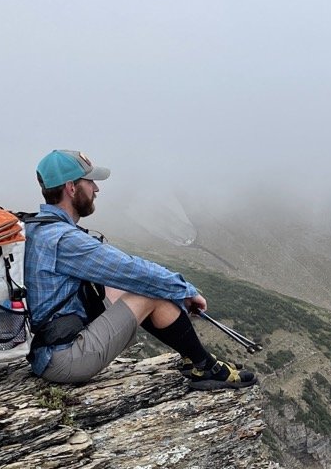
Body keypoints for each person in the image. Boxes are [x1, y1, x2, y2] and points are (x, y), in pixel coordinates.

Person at [25, 149, 258, 390]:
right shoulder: (64, 240)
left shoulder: (37, 228)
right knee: (148, 291)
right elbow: (133, 271)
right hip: (64, 360)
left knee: (124, 287)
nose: (96, 189)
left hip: (50, 350)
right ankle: (205, 366)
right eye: (90, 182)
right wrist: (185, 291)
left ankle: (196, 361)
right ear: (71, 188)